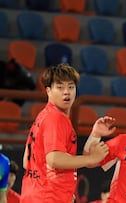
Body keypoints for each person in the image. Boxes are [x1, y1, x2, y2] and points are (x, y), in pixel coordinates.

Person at [20, 64, 115, 203]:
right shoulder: (56, 118)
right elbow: (54, 159)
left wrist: (95, 134)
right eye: (60, 87)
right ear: (48, 90)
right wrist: (91, 158)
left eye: (71, 87)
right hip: (48, 197)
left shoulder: (43, 116)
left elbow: (26, 161)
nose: (66, 92)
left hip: (34, 193)